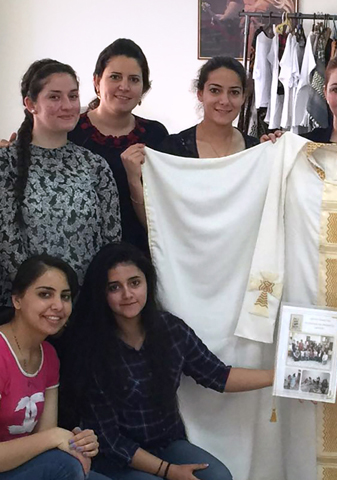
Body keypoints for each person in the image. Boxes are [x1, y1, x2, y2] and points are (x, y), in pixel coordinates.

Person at [59, 243, 273, 480]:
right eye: (114, 287)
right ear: (101, 293)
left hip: (167, 444)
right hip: (115, 456)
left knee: (220, 477)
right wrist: (168, 471)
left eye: (135, 283)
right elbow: (110, 439)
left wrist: (279, 376)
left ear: (147, 283)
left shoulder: (170, 329)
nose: (128, 294)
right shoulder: (91, 348)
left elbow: (218, 375)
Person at [0, 59, 121, 311]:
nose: (67, 106)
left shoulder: (95, 165)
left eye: (73, 96)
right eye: (54, 97)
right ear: (31, 104)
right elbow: (7, 244)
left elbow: (110, 245)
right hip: (22, 311)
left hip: (83, 310)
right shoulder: (7, 163)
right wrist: (45, 299)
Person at [0, 255, 106, 480]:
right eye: (45, 294)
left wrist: (75, 442)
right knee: (64, 467)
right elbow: (49, 438)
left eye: (65, 296)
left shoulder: (48, 355)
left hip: (24, 467)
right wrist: (56, 438)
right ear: (17, 300)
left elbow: (46, 435)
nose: (58, 305)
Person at [121, 56, 259, 228]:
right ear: (200, 94)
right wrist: (134, 179)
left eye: (234, 92)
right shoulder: (173, 150)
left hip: (245, 253)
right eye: (215, 90)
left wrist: (281, 146)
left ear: (244, 97)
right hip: (189, 254)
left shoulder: (257, 151)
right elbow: (156, 223)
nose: (225, 100)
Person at [68, 39, 168, 253]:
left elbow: (164, 211)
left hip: (139, 259)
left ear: (144, 88)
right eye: (115, 77)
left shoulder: (156, 136)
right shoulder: (70, 131)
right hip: (81, 257)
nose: (124, 86)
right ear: (97, 81)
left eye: (134, 79)